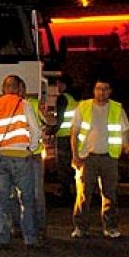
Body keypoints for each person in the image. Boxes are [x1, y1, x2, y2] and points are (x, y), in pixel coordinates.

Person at [0, 74, 42, 249]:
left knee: (2, 200)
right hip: (21, 157)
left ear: (4, 88)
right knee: (26, 200)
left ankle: (2, 238)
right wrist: (31, 147)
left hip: (1, 158)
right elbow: (35, 130)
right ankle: (30, 238)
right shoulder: (23, 104)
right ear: (18, 88)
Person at [70, 76, 129, 239]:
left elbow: (126, 130)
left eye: (105, 89)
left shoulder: (117, 108)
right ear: (94, 90)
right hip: (87, 157)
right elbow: (74, 133)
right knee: (83, 195)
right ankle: (80, 227)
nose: (102, 92)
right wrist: (75, 155)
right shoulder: (83, 107)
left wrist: (127, 145)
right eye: (99, 89)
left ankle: (110, 227)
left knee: (110, 194)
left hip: (109, 158)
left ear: (110, 91)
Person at [9, 77, 47, 241]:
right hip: (13, 155)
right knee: (13, 194)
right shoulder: (4, 105)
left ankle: (39, 228)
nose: (18, 92)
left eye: (19, 88)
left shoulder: (32, 104)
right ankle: (17, 226)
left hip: (32, 156)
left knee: (36, 194)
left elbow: (43, 125)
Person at [50, 74, 77, 203]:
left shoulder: (62, 98)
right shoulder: (74, 98)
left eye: (58, 84)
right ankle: (75, 190)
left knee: (63, 166)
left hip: (63, 136)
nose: (57, 87)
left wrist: (52, 131)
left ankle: (65, 192)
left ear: (64, 85)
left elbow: (60, 119)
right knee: (72, 165)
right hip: (73, 135)